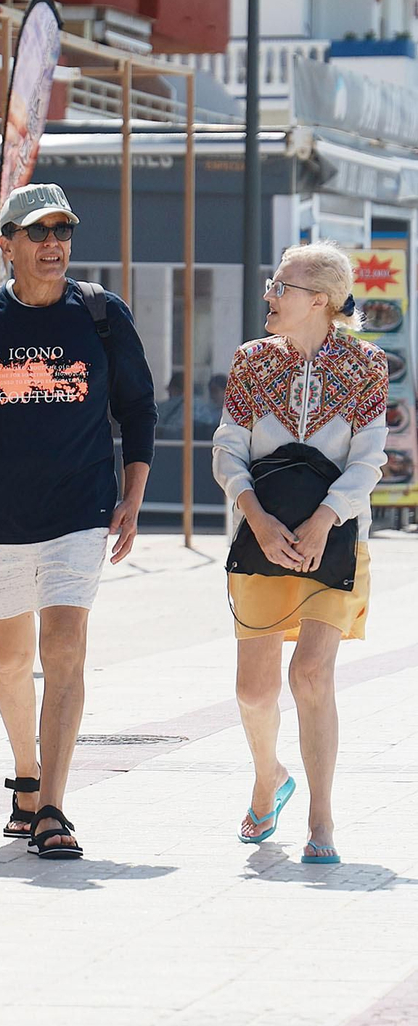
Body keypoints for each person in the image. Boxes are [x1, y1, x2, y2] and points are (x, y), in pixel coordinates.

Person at [0, 182, 157, 860]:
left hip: (80, 511)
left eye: (63, 230)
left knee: (63, 649)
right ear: (7, 244)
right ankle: (25, 777)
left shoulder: (101, 315)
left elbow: (139, 410)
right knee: (13, 657)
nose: (54, 243)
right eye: (38, 231)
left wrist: (132, 499)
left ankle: (53, 805)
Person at [214, 242, 388, 865]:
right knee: (254, 693)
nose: (269, 294)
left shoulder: (368, 366)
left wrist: (323, 519)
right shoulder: (252, 362)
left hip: (333, 540)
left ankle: (321, 814)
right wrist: (255, 517)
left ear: (320, 300)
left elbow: (369, 459)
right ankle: (270, 779)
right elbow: (228, 449)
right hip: (262, 537)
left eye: (280, 286)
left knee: (309, 673)